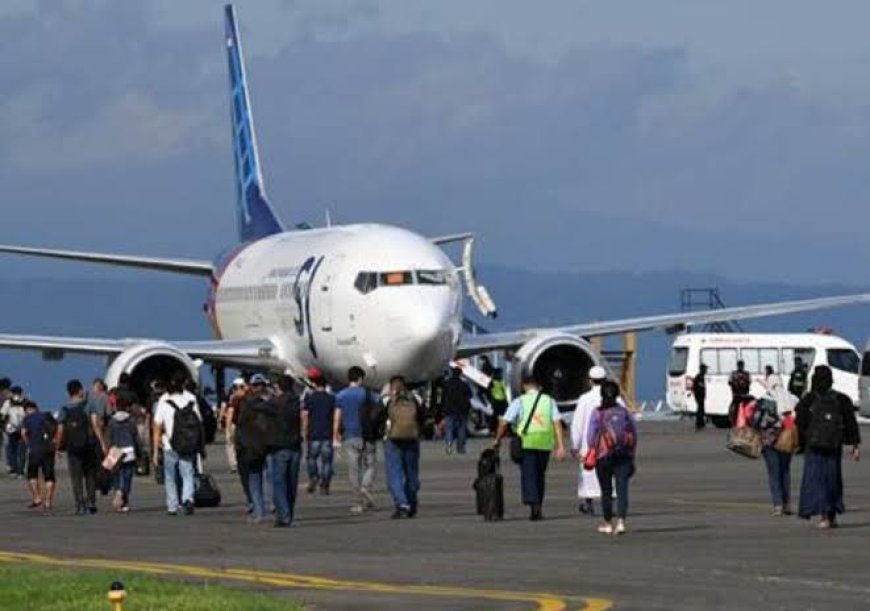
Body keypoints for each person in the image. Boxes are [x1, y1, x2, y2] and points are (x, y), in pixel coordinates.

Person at [493, 372, 567, 521]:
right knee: (540, 475)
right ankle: (538, 504)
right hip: (545, 443)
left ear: (524, 386)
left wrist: (497, 439)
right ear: (538, 387)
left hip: (526, 442)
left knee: (529, 474)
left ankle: (533, 504)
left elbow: (505, 422)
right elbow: (557, 423)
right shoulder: (549, 401)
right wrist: (560, 445)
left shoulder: (520, 401)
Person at [796, 365, 861, 529]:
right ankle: (831, 515)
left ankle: (822, 514)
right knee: (832, 480)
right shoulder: (841, 399)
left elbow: (801, 423)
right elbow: (850, 423)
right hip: (834, 446)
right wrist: (854, 444)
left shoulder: (809, 399)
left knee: (816, 480)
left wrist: (801, 443)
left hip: (814, 446)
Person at [587, 381, 637, 535]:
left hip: (604, 455)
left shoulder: (598, 412)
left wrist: (592, 449)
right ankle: (621, 522)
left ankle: (608, 523)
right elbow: (633, 433)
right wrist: (631, 454)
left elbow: (591, 435)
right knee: (622, 490)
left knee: (606, 490)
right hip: (623, 455)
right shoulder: (624, 411)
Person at [152, 374, 203, 516]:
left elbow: (157, 426)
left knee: (170, 476)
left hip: (169, 444)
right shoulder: (191, 399)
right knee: (187, 474)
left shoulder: (164, 400)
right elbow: (199, 423)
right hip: (188, 443)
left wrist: (155, 450)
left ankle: (172, 505)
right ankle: (187, 499)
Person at [335, 366, 381, 514]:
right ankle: (365, 487)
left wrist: (335, 434)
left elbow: (337, 416)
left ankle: (358, 501)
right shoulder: (368, 394)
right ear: (361, 378)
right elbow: (379, 408)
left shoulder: (341, 395)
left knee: (354, 470)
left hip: (350, 435)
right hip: (367, 434)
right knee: (370, 464)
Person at [570, 366, 615, 515]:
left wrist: (574, 444)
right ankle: (609, 503)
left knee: (588, 473)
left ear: (590, 381)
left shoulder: (585, 399)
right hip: (610, 443)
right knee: (610, 473)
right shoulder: (616, 398)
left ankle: (589, 503)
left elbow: (578, 423)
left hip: (589, 444)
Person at [57, 379, 102, 515]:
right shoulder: (88, 405)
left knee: (75, 477)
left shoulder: (64, 407)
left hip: (72, 447)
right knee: (89, 474)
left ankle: (79, 504)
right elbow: (95, 425)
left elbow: (60, 429)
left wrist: (58, 447)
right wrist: (102, 442)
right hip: (88, 444)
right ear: (80, 390)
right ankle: (91, 502)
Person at [383, 376, 425, 519]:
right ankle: (412, 502)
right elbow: (422, 417)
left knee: (395, 473)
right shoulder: (415, 399)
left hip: (393, 439)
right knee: (411, 473)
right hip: (412, 438)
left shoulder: (387, 400)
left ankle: (402, 504)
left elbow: (375, 417)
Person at [236, 373, 273, 523]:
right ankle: (271, 505)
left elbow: (240, 426)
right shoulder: (271, 404)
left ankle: (258, 512)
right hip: (268, 445)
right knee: (269, 478)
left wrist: (239, 446)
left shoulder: (246, 404)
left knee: (255, 479)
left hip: (252, 447)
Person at [270, 375, 302, 528]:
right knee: (291, 483)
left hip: (280, 446)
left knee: (279, 482)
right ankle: (289, 511)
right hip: (295, 446)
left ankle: (284, 515)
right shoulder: (297, 402)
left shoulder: (275, 403)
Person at [753, 398, 793, 516]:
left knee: (774, 473)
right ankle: (786, 505)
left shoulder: (764, 400)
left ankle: (778, 505)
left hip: (768, 441)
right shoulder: (789, 398)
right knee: (785, 472)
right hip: (786, 439)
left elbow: (755, 420)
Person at [303, 374, 336, 494]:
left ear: (315, 385)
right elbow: (334, 416)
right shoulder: (331, 399)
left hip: (314, 433)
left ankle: (313, 478)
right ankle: (325, 485)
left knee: (311, 459)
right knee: (327, 461)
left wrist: (305, 431)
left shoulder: (310, 398)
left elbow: (306, 416)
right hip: (327, 433)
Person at [21, 400, 56, 511]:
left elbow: (23, 433)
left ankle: (37, 497)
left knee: (32, 475)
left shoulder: (27, 419)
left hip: (35, 451)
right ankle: (48, 501)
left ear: (27, 410)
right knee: (49, 477)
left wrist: (29, 444)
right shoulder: (47, 416)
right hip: (49, 450)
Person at [108, 403, 139, 512]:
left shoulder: (112, 421)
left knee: (117, 474)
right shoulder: (131, 420)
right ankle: (124, 499)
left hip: (116, 449)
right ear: (126, 408)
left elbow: (109, 436)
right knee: (127, 475)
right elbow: (135, 435)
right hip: (129, 450)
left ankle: (118, 490)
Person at [442, 367, 472, 455]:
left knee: (449, 428)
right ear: (460, 374)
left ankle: (449, 445)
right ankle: (461, 447)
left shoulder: (446, 384)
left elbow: (442, 396)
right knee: (462, 428)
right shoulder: (464, 384)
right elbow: (470, 395)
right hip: (463, 409)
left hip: (449, 409)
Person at [1, 386, 27, 478]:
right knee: (20, 451)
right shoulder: (25, 402)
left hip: (13, 430)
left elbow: (3, 415)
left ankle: (15, 470)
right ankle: (19, 470)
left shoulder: (8, 402)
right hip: (20, 430)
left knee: (14, 451)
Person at [488, 368, 510, 433]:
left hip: (498, 401)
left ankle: (494, 429)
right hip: (500, 401)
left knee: (495, 416)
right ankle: (504, 429)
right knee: (502, 416)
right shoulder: (498, 382)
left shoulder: (494, 382)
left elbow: (489, 392)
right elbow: (504, 391)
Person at [692, 364, 708, 430]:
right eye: (705, 369)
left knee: (701, 409)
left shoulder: (702, 377)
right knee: (700, 410)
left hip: (701, 396)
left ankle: (701, 423)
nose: (706, 371)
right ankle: (699, 424)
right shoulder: (699, 377)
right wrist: (697, 395)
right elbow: (696, 387)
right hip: (699, 396)